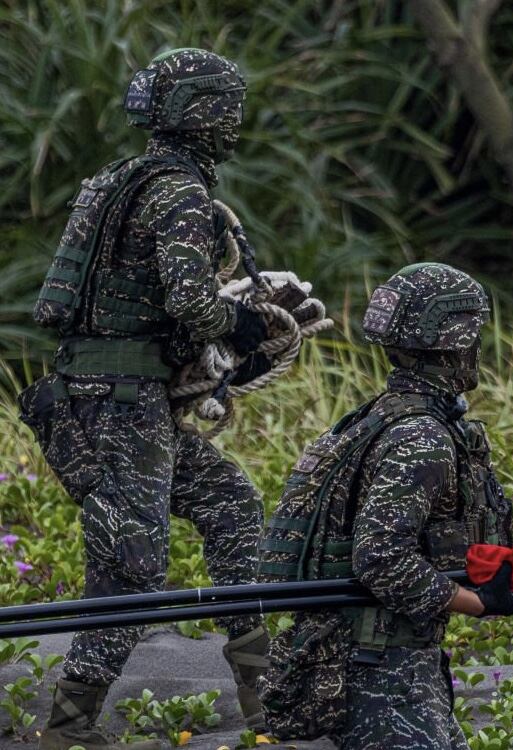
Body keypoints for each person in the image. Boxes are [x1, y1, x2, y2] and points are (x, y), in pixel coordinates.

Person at [18, 48, 272, 750]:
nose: (235, 122)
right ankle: (68, 732)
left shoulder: (115, 180)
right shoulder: (180, 189)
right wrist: (241, 324)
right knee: (130, 570)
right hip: (122, 404)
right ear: (204, 115)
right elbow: (189, 297)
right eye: (226, 107)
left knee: (229, 500)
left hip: (101, 398)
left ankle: (266, 701)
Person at [256, 263, 513, 749]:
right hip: (381, 671)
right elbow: (381, 558)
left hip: (385, 661)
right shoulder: (422, 436)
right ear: (455, 345)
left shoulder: (381, 417)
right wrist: (477, 604)